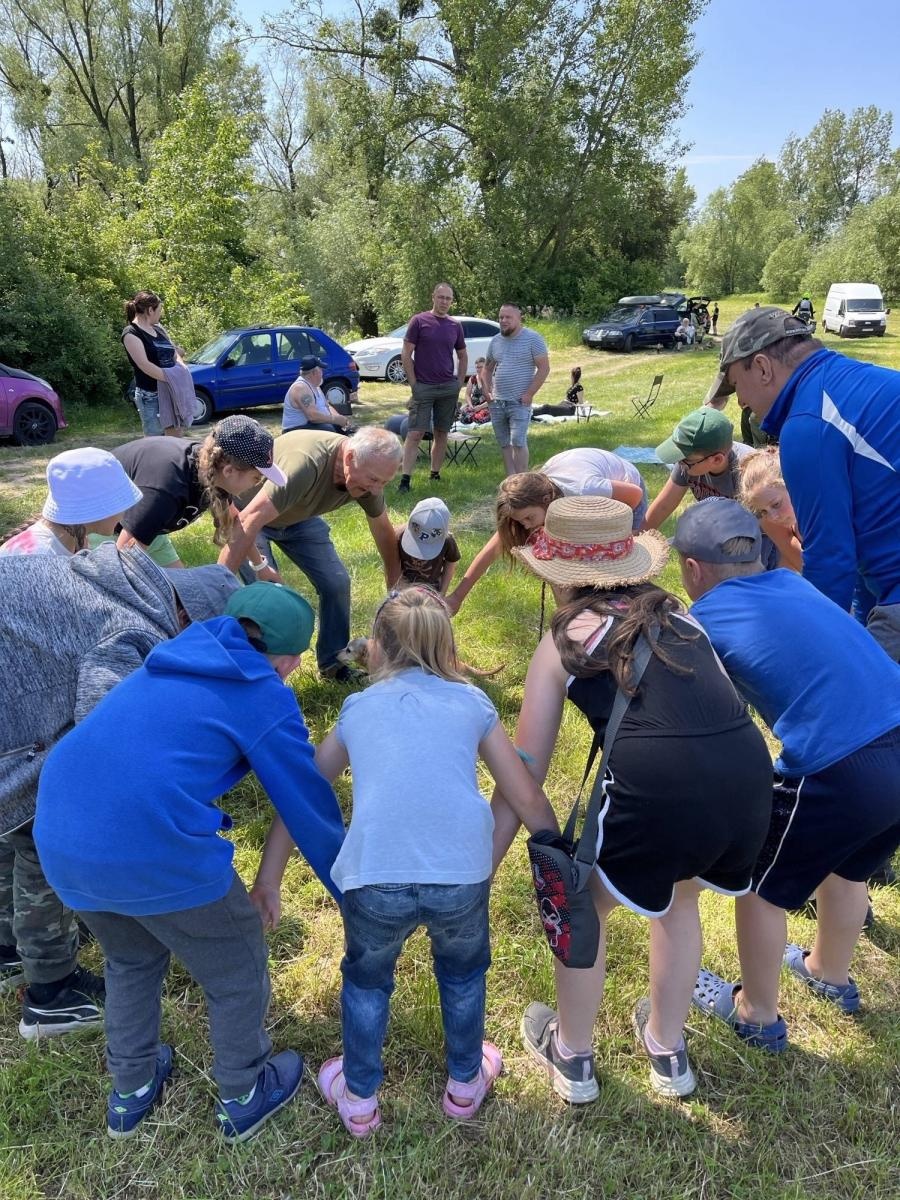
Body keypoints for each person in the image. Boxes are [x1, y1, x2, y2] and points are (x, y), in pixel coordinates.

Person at [33, 582, 345, 1142]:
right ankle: (245, 1091)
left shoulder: (172, 657)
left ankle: (130, 1087)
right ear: (291, 659)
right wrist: (354, 892)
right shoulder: (264, 693)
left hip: (60, 837)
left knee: (130, 958)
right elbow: (307, 802)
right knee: (236, 964)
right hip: (146, 844)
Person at [489, 497, 771, 1102]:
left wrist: (483, 861)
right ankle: (667, 1052)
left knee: (581, 910)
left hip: (658, 787)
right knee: (679, 901)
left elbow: (526, 767)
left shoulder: (566, 636)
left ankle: (572, 1057)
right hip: (747, 782)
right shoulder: (682, 616)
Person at [251, 587, 558, 1136]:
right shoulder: (473, 705)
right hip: (462, 877)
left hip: (375, 878)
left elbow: (306, 795)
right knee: (463, 976)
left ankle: (361, 1098)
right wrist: (556, 855)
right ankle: (465, 1085)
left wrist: (269, 876)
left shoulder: (356, 709)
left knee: (367, 983)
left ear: (378, 648)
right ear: (448, 644)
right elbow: (525, 794)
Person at [674, 499, 900, 1050]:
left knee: (759, 885)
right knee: (848, 869)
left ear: (691, 569)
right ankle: (829, 974)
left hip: (841, 763)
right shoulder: (796, 585)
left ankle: (756, 1013)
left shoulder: (703, 622)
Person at [0, 543, 239, 1036]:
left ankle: (7, 945)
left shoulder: (116, 574)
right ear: (186, 616)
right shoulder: (134, 629)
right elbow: (103, 738)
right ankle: (51, 993)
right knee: (40, 832)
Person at [704, 305, 900, 661]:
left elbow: (830, 560)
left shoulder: (808, 423)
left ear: (762, 367)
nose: (742, 402)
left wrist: (812, 658)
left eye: (737, 385)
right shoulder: (861, 380)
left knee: (856, 707)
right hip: (886, 581)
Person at [218, 426, 403, 681]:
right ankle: (260, 677)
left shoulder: (370, 475)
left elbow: (384, 533)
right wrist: (216, 583)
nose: (376, 489)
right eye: (373, 480)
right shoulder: (306, 464)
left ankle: (333, 665)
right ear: (350, 458)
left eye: (384, 482)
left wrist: (396, 593)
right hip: (251, 518)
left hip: (298, 518)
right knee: (268, 601)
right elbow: (249, 521)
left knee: (337, 583)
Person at [446, 448, 648, 614]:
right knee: (564, 564)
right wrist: (457, 596)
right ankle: (570, 618)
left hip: (626, 491)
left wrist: (602, 533)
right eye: (521, 521)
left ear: (546, 501)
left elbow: (634, 495)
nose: (526, 526)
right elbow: (494, 546)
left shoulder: (584, 490)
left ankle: (624, 615)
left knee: (613, 569)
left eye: (528, 518)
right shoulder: (540, 495)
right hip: (582, 482)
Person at [107, 415, 286, 573]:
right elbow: (123, 561)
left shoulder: (212, 469)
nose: (258, 484)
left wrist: (260, 567)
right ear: (229, 471)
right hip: (100, 527)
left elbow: (234, 521)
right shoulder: (166, 491)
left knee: (185, 599)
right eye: (257, 477)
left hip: (146, 531)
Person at [0, 448, 142, 558]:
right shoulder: (44, 556)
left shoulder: (74, 540)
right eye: (119, 502)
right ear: (98, 507)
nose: (124, 512)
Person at [397, 283, 467, 493]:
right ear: (433, 297)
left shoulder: (455, 326)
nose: (445, 302)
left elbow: (463, 356)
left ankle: (435, 473)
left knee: (441, 432)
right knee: (415, 433)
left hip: (448, 387)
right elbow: (405, 354)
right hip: (423, 387)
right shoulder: (419, 321)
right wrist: (414, 385)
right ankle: (405, 479)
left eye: (448, 298)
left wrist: (458, 383)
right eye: (441, 297)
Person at [642, 408, 754, 530]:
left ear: (717, 460)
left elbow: (760, 527)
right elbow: (663, 506)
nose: (679, 464)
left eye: (685, 460)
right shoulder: (688, 463)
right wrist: (638, 538)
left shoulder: (748, 472)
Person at [483, 303, 550, 475]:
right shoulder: (496, 341)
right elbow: (487, 368)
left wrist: (529, 394)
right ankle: (511, 480)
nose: (503, 321)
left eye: (508, 317)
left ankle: (522, 480)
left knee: (518, 442)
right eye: (501, 317)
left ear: (519, 319)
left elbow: (544, 368)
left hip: (519, 401)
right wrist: (486, 390)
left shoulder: (533, 339)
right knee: (504, 443)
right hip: (497, 402)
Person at [121, 291, 188, 437]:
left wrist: (182, 368)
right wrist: (173, 378)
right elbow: (144, 365)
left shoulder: (158, 328)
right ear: (150, 310)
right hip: (149, 397)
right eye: (159, 310)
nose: (161, 314)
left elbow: (173, 352)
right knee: (156, 442)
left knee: (176, 440)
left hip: (170, 391)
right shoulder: (131, 333)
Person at [738, 450, 803, 571]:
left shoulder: (823, 518)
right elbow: (789, 565)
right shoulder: (796, 526)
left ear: (793, 485)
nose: (773, 517)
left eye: (776, 504)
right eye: (764, 512)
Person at [393, 497, 460, 593]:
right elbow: (390, 564)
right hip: (402, 588)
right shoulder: (398, 535)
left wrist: (442, 592)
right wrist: (397, 586)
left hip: (432, 591)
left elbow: (451, 562)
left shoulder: (447, 541)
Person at [282, 355, 353, 435]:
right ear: (314, 373)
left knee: (341, 429)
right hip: (294, 431)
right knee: (328, 429)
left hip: (309, 426)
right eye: (321, 370)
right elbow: (313, 417)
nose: (322, 373)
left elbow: (327, 406)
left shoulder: (315, 386)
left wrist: (340, 418)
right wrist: (335, 419)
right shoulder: (301, 388)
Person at [458, 358, 490, 424]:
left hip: (486, 405)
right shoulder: (473, 378)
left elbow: (493, 397)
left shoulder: (490, 379)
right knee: (463, 418)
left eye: (481, 367)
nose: (478, 369)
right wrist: (470, 405)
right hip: (474, 405)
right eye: (477, 367)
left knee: (479, 418)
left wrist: (480, 407)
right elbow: (467, 395)